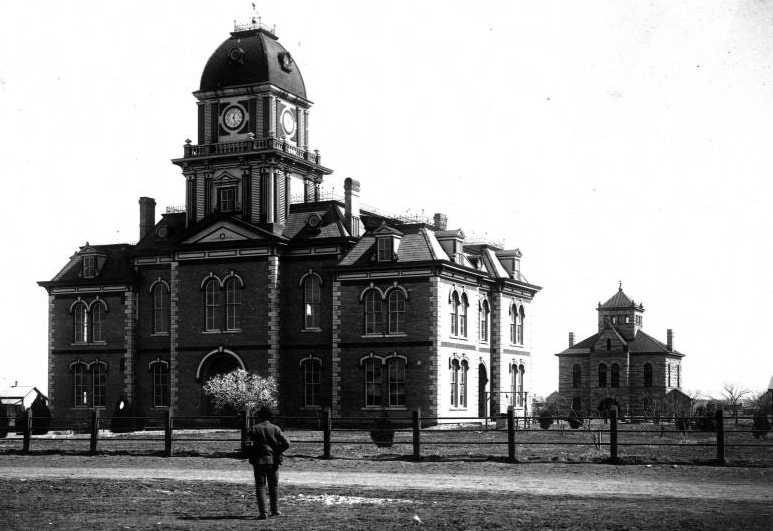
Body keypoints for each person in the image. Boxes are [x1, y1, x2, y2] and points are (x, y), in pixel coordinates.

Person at [247, 406, 290, 520]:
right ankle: (275, 510)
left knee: (260, 486)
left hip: (258, 461)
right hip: (273, 460)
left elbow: (246, 444)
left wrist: (252, 454)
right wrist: (277, 451)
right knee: (273, 485)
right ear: (270, 417)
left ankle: (263, 512)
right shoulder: (275, 428)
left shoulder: (254, 428)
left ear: (260, 416)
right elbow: (287, 443)